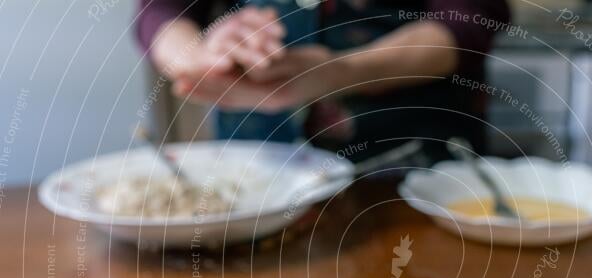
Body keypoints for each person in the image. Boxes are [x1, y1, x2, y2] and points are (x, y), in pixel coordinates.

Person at [135, 0, 510, 161]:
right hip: (257, 173)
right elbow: (161, 10)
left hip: (407, 170)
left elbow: (468, 22)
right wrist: (204, 59)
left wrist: (335, 72)